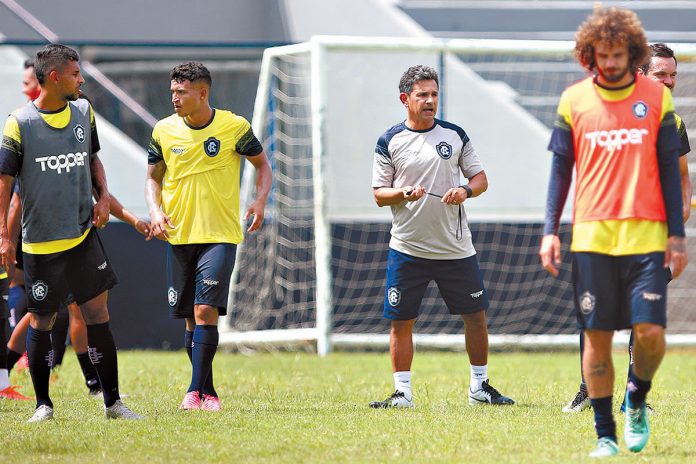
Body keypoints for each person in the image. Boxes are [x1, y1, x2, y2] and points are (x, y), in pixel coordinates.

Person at [539, 8, 688, 457]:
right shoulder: (574, 101)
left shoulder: (657, 102)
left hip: (647, 237)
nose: (610, 61)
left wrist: (677, 236)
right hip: (591, 239)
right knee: (597, 336)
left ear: (632, 54)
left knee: (651, 334)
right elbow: (560, 171)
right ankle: (605, 434)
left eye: (618, 54)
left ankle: (637, 396)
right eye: (601, 54)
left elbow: (671, 173)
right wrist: (550, 230)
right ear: (590, 56)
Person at [0, 43, 143, 421]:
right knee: (42, 320)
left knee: (97, 316)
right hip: (41, 245)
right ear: (55, 76)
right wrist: (4, 237)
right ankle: (43, 405)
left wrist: (103, 197)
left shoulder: (83, 111)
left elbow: (93, 159)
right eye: (76, 73)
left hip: (83, 239)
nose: (82, 79)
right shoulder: (19, 123)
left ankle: (112, 402)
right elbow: (5, 184)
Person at [369, 65, 514, 409]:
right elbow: (378, 194)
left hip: (455, 249)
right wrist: (403, 192)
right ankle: (402, 394)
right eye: (422, 94)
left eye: (434, 94)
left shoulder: (454, 135)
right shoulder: (390, 140)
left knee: (476, 317)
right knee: (401, 321)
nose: (430, 100)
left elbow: (481, 179)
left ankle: (480, 388)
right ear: (405, 99)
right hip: (407, 248)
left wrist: (465, 191)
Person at [562, 42, 692, 415]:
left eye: (672, 76)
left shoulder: (674, 124)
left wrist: (675, 224)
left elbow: (683, 180)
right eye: (660, 75)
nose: (668, 83)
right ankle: (589, 389)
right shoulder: (608, 114)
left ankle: (634, 398)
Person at [145, 61, 272, 411]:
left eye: (181, 92)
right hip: (178, 235)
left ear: (202, 93)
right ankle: (209, 391)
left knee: (204, 311)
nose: (174, 97)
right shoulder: (163, 130)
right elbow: (153, 178)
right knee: (191, 317)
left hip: (219, 234)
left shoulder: (233, 126)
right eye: (173, 91)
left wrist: (259, 201)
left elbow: (263, 166)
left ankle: (191, 392)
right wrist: (155, 211)